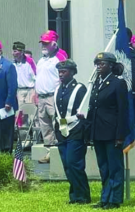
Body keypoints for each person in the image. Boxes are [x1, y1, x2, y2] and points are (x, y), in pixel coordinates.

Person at [80, 52, 128, 210]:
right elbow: (93, 109)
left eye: (102, 64)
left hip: (112, 133)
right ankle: (104, 198)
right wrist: (89, 132)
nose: (99, 67)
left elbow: (123, 112)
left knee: (115, 167)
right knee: (104, 168)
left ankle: (114, 199)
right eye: (97, 64)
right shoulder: (97, 83)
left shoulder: (118, 83)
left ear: (111, 66)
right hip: (98, 132)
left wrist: (120, 135)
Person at [54, 59, 90, 205]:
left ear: (73, 72)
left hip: (76, 130)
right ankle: (74, 195)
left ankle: (83, 196)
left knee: (74, 163)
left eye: (64, 71)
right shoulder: (58, 88)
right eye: (59, 72)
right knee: (67, 165)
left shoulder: (80, 88)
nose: (61, 74)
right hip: (62, 131)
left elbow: (85, 111)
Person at [35, 30, 67, 163]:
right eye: (42, 43)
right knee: (45, 125)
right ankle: (49, 152)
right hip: (42, 97)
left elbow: (65, 76)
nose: (43, 45)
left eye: (46, 43)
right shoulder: (41, 60)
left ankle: (63, 148)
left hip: (54, 96)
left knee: (60, 122)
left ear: (54, 44)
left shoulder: (60, 57)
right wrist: (35, 93)